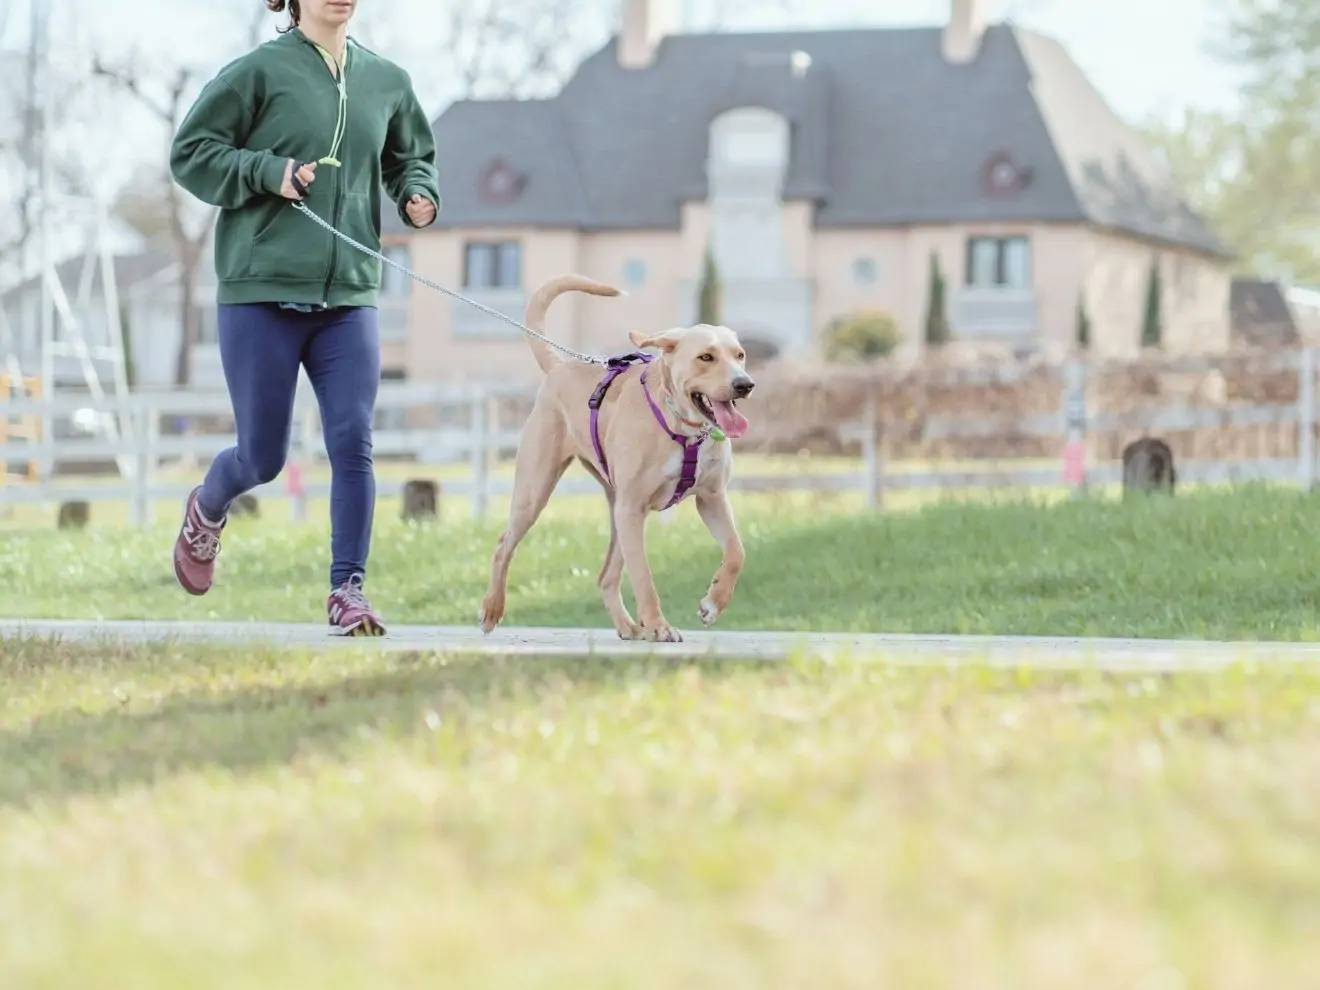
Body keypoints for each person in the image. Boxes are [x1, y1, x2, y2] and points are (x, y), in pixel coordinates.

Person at [167, 0, 440, 636]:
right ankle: (207, 510)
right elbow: (192, 152)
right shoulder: (256, 72)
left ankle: (349, 590)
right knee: (262, 457)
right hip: (260, 293)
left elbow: (410, 157)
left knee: (353, 440)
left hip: (348, 295)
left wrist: (417, 192)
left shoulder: (387, 80)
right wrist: (268, 170)